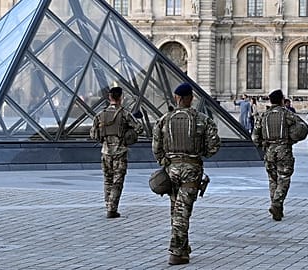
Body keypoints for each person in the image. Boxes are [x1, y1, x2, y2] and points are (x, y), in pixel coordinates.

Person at [152, 82, 221, 265]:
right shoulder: (203, 119)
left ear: (176, 98)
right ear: (191, 98)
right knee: (183, 212)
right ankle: (176, 252)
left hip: (171, 170)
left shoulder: (164, 120)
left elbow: (156, 147)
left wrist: (165, 163)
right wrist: (201, 154)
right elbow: (213, 146)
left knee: (176, 210)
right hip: (191, 170)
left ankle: (183, 248)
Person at [252, 89, 308, 222]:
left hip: (269, 150)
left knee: (273, 180)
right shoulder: (286, 114)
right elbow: (303, 127)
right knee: (284, 178)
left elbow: (255, 137)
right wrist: (292, 138)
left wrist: (263, 144)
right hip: (283, 149)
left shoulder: (263, 116)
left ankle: (277, 209)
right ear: (282, 100)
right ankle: (276, 204)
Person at [90, 87, 143, 218]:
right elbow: (139, 128)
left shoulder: (100, 115)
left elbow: (93, 134)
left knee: (107, 180)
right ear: (121, 98)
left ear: (109, 98)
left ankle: (108, 204)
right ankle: (112, 208)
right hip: (120, 152)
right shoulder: (124, 114)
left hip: (105, 152)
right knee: (117, 181)